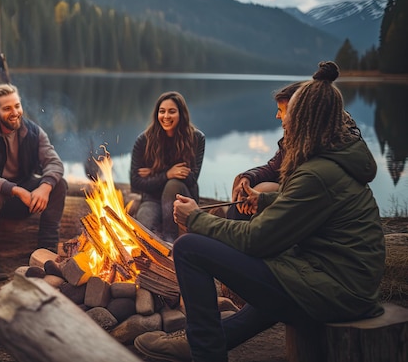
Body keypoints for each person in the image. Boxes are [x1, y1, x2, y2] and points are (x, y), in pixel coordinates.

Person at [133, 61, 386, 362]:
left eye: (286, 113)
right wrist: (263, 201)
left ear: (305, 117)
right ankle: (205, 340)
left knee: (189, 248)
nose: (280, 119)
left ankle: (205, 352)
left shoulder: (318, 172)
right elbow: (314, 204)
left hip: (335, 292)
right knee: (272, 265)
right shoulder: (332, 157)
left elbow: (258, 241)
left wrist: (196, 219)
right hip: (338, 281)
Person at [0, 83, 67, 260]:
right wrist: (15, 189)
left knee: (59, 185)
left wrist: (45, 187)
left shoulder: (33, 132)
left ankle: (46, 253)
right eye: (7, 108)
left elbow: (54, 162)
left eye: (17, 106)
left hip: (17, 200)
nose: (15, 112)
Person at [130, 91, 205, 242]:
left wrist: (154, 173)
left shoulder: (196, 138)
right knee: (141, 233)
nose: (166, 116)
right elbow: (135, 183)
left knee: (173, 185)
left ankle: (171, 241)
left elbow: (191, 179)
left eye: (172, 111)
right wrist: (167, 173)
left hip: (182, 198)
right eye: (162, 111)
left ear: (181, 114)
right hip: (152, 198)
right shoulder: (144, 140)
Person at [225, 81, 304, 219]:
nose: (277, 116)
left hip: (298, 211)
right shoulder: (293, 140)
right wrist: (247, 177)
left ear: (296, 113)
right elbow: (273, 168)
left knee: (263, 189)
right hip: (290, 203)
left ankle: (235, 231)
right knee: (243, 184)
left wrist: (262, 195)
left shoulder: (315, 149)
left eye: (281, 110)